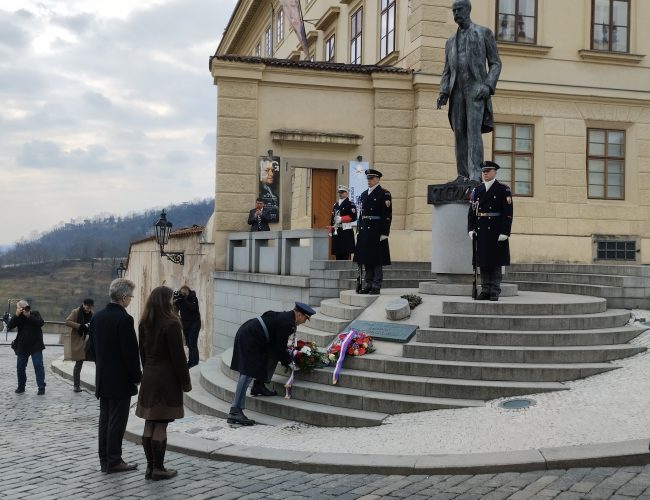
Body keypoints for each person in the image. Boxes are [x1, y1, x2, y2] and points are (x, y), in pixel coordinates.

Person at [436, 0, 502, 183]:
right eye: (453, 10)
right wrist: (443, 92)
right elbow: (447, 70)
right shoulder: (450, 41)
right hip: (456, 90)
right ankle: (462, 174)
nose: (456, 13)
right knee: (459, 132)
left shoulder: (483, 33)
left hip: (476, 89)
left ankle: (475, 174)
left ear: (468, 10)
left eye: (459, 10)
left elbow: (496, 63)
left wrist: (488, 86)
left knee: (473, 132)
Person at [227, 301, 315, 426]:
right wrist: (290, 363)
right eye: (305, 319)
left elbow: (276, 345)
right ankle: (235, 411)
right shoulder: (287, 322)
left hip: (254, 335)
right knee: (246, 374)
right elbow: (279, 348)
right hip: (249, 337)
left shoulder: (287, 318)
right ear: (299, 315)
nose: (304, 322)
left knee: (271, 356)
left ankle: (259, 386)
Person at [86, 278, 142, 474]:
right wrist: (137, 376)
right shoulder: (124, 319)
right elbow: (130, 353)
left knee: (105, 421)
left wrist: (102, 365)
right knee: (117, 422)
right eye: (131, 297)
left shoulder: (97, 317)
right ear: (124, 297)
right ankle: (114, 460)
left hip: (103, 377)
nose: (131, 300)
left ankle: (105, 460)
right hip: (120, 379)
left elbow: (90, 348)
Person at [136, 286, 192, 481]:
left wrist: (147, 371)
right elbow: (178, 358)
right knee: (161, 423)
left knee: (150, 421)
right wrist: (185, 382)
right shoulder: (171, 323)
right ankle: (158, 468)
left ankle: (150, 468)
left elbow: (142, 353)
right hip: (166, 379)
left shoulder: (144, 322)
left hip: (149, 376)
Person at [467, 161, 513, 301]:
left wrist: (505, 231)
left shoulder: (503, 190)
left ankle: (494, 290)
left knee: (495, 262)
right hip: (481, 231)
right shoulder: (477, 190)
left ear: (495, 172)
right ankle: (485, 289)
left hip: (496, 230)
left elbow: (508, 213)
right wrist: (470, 228)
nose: (485, 173)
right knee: (483, 262)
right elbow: (472, 212)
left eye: (488, 170)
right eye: (484, 171)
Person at [354, 169, 392, 295]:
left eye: (371, 179)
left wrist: (385, 232)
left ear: (377, 179)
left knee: (377, 260)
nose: (369, 181)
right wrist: (358, 230)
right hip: (365, 230)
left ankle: (376, 285)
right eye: (368, 179)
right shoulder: (364, 194)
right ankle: (368, 284)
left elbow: (387, 215)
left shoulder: (384, 193)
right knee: (366, 259)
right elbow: (361, 214)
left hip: (377, 230)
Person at [5, 300, 46, 395]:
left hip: (36, 346)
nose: (25, 309)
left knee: (38, 366)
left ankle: (41, 387)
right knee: (20, 367)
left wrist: (29, 316)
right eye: (21, 308)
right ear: (18, 308)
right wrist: (16, 315)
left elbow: (41, 323)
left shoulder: (35, 313)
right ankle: (21, 387)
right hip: (22, 346)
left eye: (26, 307)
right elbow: (10, 326)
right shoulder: (18, 317)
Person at [64, 298, 94, 392]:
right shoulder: (76, 311)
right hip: (78, 340)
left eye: (90, 307)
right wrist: (80, 326)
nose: (88, 308)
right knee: (79, 363)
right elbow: (67, 322)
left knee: (96, 359)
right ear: (83, 304)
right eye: (87, 306)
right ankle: (76, 386)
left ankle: (99, 382)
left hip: (88, 340)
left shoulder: (92, 314)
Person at [173, 285, 201, 368]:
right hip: (185, 324)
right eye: (182, 293)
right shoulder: (180, 299)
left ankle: (195, 363)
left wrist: (184, 299)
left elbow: (193, 308)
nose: (184, 294)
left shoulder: (193, 298)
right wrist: (175, 300)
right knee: (188, 344)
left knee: (192, 343)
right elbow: (175, 309)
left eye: (185, 293)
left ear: (188, 292)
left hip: (194, 323)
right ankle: (190, 361)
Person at [329, 185, 357, 260]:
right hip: (337, 231)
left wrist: (342, 219)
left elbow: (353, 216)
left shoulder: (350, 204)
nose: (340, 194)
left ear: (346, 193)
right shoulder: (336, 205)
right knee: (338, 253)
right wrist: (330, 230)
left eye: (342, 192)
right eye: (339, 192)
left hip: (346, 231)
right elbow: (332, 219)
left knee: (345, 253)